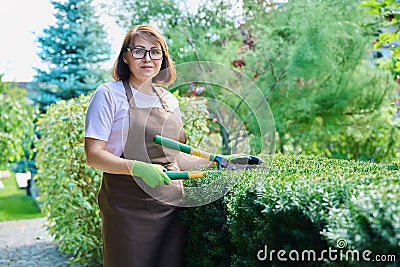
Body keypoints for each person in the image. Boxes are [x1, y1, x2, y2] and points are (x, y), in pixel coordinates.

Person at [84, 24, 207, 267]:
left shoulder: (169, 100)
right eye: (139, 51)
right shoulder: (108, 94)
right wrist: (138, 168)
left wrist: (221, 161)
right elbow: (94, 155)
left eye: (155, 51)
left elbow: (176, 159)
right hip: (126, 209)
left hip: (170, 207)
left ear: (163, 58)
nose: (147, 58)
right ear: (126, 56)